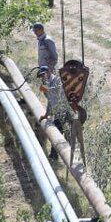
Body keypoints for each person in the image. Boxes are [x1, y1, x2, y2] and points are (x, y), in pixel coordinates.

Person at [33, 22, 70, 158]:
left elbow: (57, 91)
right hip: (59, 109)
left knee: (59, 130)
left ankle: (57, 155)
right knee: (59, 129)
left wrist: (48, 71)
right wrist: (47, 114)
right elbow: (50, 100)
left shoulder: (55, 80)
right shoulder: (47, 82)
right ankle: (56, 154)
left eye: (36, 30)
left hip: (64, 110)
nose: (35, 32)